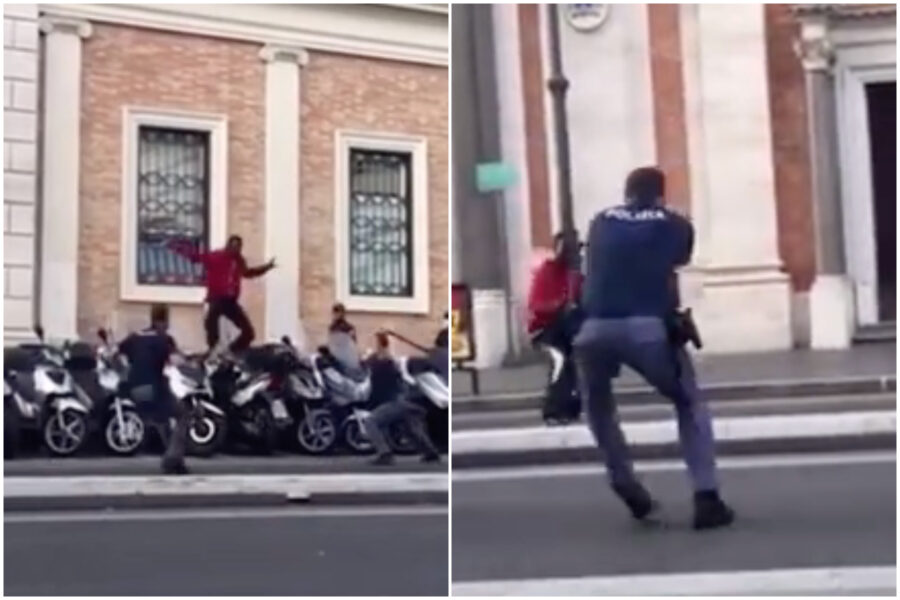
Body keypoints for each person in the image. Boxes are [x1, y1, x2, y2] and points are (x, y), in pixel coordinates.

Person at [572, 166, 735, 530]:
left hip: (593, 327)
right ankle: (706, 498)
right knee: (688, 401)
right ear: (660, 193)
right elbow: (677, 262)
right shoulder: (674, 222)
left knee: (599, 407)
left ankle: (626, 485)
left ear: (627, 192)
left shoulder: (600, 220)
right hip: (647, 327)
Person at [168, 235, 275, 355]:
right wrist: (178, 248)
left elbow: (247, 273)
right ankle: (213, 350)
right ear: (228, 246)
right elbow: (196, 258)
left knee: (249, 333)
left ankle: (232, 351)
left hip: (230, 301)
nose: (236, 250)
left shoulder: (239, 260)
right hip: (217, 299)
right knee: (211, 322)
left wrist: (266, 268)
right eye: (233, 247)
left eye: (238, 248)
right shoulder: (216, 256)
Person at [118, 304, 189, 475]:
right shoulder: (165, 339)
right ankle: (172, 459)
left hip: (134, 390)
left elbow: (116, 354)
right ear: (164, 321)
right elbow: (177, 361)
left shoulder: (134, 337)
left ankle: (173, 459)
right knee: (183, 414)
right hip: (153, 388)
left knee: (162, 419)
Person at [527, 232, 584, 423]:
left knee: (577, 361)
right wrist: (559, 304)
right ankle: (552, 409)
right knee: (560, 362)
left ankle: (572, 406)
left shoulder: (576, 275)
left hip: (567, 330)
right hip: (545, 331)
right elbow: (536, 306)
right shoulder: (548, 271)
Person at [363, 331, 440, 466]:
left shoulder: (381, 359)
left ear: (379, 344)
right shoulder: (391, 360)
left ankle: (385, 454)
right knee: (410, 427)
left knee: (371, 421)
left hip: (395, 401)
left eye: (373, 342)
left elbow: (374, 367)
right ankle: (430, 452)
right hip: (406, 400)